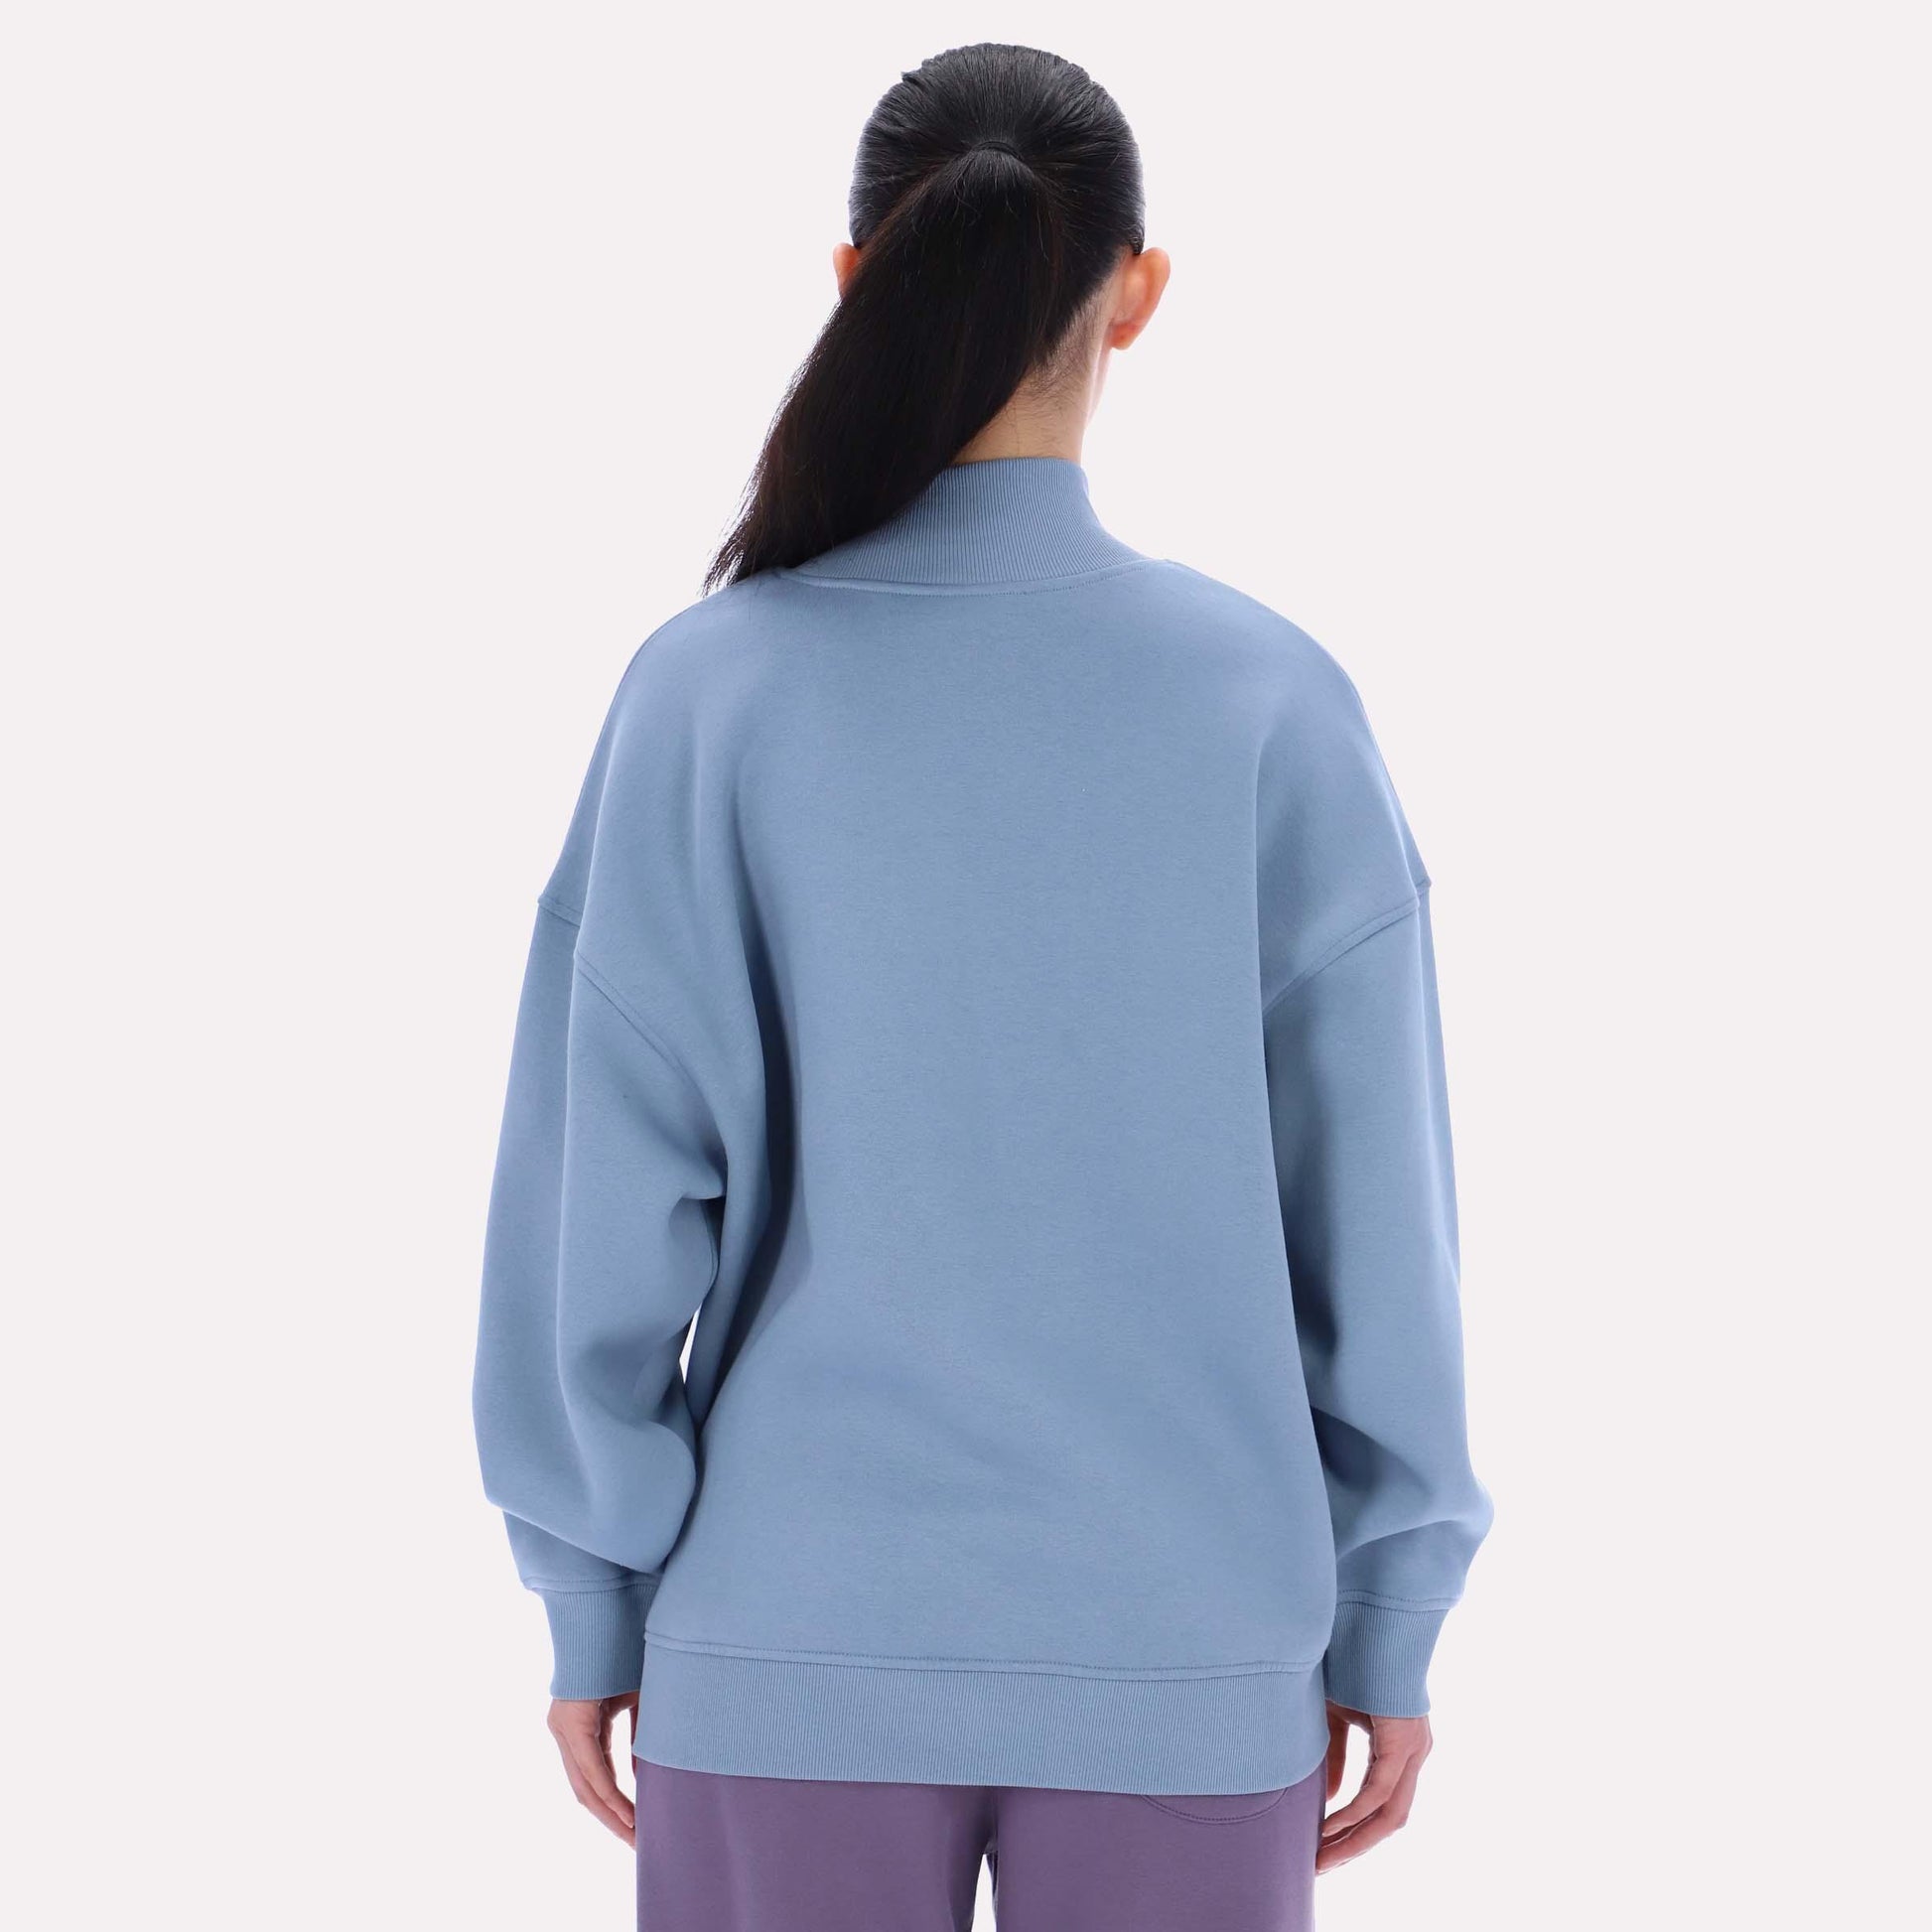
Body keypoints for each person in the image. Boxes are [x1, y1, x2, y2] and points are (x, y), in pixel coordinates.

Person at [473, 41, 1490, 1932]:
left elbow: (595, 1209)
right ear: (1138, 291)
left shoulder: (708, 693)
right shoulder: (1270, 704)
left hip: (783, 1637)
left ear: (853, 276)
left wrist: (591, 1592)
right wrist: (1391, 1609)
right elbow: (1377, 1224)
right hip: (1191, 1641)